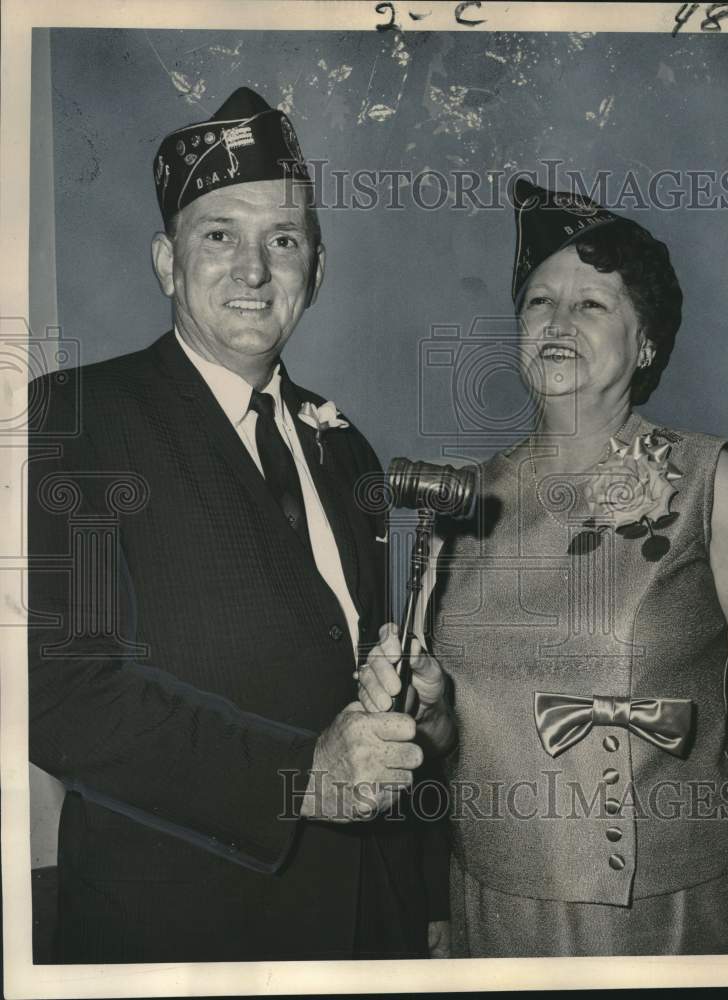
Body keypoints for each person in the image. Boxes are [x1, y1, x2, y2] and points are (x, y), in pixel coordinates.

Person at [27, 87, 447, 963]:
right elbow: (58, 696)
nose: (254, 270)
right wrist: (305, 777)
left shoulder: (348, 452)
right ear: (165, 262)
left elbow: (338, 679)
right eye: (219, 235)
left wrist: (408, 705)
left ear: (316, 273)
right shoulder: (74, 416)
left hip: (368, 933)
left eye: (283, 241)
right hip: (184, 937)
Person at [358, 180, 728, 956]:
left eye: (591, 305)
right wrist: (432, 712)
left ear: (646, 342)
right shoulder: (458, 502)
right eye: (538, 302)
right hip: (492, 906)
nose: (557, 323)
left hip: (673, 910)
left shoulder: (709, 480)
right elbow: (452, 735)